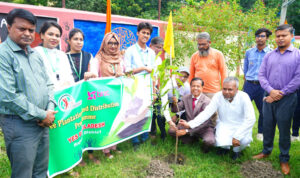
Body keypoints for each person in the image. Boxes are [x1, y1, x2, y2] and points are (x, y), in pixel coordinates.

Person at [0, 8, 57, 177]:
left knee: (40, 171)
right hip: (19, 124)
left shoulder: (35, 54)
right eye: (21, 29)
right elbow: (8, 96)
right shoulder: (3, 55)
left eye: (31, 30)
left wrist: (49, 110)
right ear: (9, 27)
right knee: (23, 174)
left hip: (43, 122)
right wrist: (41, 114)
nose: (27, 34)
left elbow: (49, 84)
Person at [253, 24, 300, 175]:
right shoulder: (269, 55)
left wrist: (281, 93)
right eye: (278, 36)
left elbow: (298, 78)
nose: (280, 38)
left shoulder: (297, 55)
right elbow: (261, 75)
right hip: (268, 96)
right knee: (267, 125)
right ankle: (266, 151)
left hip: (287, 99)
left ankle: (284, 158)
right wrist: (271, 91)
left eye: (283, 35)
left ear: (292, 36)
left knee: (284, 129)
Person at [178, 77, 256, 160]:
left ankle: (236, 151)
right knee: (219, 141)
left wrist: (238, 136)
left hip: (241, 125)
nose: (226, 92)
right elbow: (206, 113)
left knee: (244, 141)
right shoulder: (218, 96)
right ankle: (225, 148)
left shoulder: (244, 97)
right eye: (224, 89)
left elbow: (251, 119)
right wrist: (190, 124)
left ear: (236, 90)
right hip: (224, 124)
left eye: (230, 90)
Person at [66, 28, 100, 165]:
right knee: (75, 126)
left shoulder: (88, 56)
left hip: (86, 96)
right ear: (69, 40)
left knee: (88, 124)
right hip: (72, 97)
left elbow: (95, 74)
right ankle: (77, 156)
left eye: (81, 39)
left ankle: (90, 154)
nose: (79, 42)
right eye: (75, 39)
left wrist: (91, 74)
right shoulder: (64, 57)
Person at [124, 22, 156, 150]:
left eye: (148, 33)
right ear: (138, 33)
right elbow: (126, 71)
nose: (145, 35)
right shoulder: (130, 51)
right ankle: (135, 140)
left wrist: (153, 90)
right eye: (143, 32)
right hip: (134, 86)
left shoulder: (151, 53)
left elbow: (153, 73)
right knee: (134, 112)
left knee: (146, 112)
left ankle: (144, 138)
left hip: (147, 87)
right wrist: (142, 68)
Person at [92, 32, 124, 158]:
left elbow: (126, 73)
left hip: (118, 95)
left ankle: (114, 146)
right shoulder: (98, 58)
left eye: (115, 43)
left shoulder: (120, 58)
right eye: (110, 43)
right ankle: (106, 150)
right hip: (104, 96)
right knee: (106, 123)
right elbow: (94, 73)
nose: (113, 46)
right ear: (104, 44)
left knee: (117, 120)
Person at [169, 78, 215, 153]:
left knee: (209, 141)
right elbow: (175, 110)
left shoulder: (207, 101)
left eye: (198, 86)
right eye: (193, 86)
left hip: (204, 128)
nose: (195, 88)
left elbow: (204, 122)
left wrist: (186, 131)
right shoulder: (186, 98)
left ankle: (204, 151)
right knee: (172, 131)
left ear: (202, 88)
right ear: (190, 87)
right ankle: (192, 138)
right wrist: (174, 103)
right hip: (188, 124)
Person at [243, 28, 272, 141]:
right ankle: (243, 130)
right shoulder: (248, 52)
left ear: (267, 38)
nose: (259, 38)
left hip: (263, 86)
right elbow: (245, 69)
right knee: (243, 108)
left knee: (263, 110)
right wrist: (246, 81)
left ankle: (260, 132)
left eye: (262, 36)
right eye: (258, 36)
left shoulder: (271, 53)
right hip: (249, 85)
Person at [35, 21, 74, 90]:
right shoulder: (35, 52)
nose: (54, 38)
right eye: (50, 34)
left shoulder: (62, 55)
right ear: (42, 35)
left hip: (63, 95)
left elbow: (69, 77)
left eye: (57, 36)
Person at [188, 32, 227, 99]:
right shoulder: (194, 56)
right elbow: (191, 74)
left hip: (213, 91)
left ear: (209, 43)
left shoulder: (218, 54)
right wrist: (191, 89)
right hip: (198, 91)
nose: (201, 47)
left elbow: (223, 72)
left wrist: (225, 89)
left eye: (203, 44)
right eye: (199, 44)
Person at [149, 37, 166, 143]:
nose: (159, 50)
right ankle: (152, 132)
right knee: (151, 113)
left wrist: (159, 88)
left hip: (157, 89)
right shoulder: (146, 57)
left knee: (160, 112)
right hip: (147, 89)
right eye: (157, 47)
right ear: (151, 46)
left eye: (160, 48)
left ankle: (163, 133)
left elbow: (158, 76)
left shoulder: (159, 59)